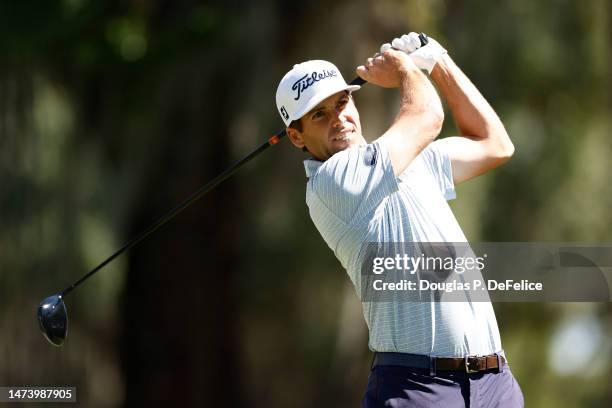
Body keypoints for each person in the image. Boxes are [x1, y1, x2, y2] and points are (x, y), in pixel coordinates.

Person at [275, 33, 524, 407]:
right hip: (420, 388)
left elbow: (495, 144)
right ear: (296, 137)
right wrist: (406, 68)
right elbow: (427, 116)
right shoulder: (333, 183)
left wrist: (439, 60)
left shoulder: (410, 160)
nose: (339, 118)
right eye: (319, 114)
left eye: (342, 102)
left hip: (495, 382)